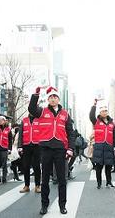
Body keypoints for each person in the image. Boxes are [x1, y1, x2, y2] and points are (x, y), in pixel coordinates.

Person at [28, 86, 75, 215]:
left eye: (55, 97)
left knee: (62, 179)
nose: (53, 99)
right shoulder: (42, 111)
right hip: (46, 149)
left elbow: (70, 133)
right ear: (48, 99)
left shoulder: (65, 114)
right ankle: (44, 205)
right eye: (51, 97)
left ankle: (62, 205)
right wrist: (36, 94)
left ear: (58, 99)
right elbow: (31, 108)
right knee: (44, 180)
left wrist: (70, 149)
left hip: (60, 149)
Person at [89, 99, 115, 189]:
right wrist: (94, 105)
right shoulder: (96, 121)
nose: (104, 112)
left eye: (106, 111)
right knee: (99, 167)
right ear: (100, 112)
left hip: (109, 147)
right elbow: (91, 116)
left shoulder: (112, 123)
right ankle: (99, 183)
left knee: (109, 166)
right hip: (99, 147)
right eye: (102, 111)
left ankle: (109, 182)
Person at [18, 112, 41, 193]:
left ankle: (37, 186)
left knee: (36, 166)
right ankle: (26, 186)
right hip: (26, 145)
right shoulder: (24, 120)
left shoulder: (39, 120)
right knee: (26, 166)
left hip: (37, 145)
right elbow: (20, 134)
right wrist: (19, 146)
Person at [0, 116, 12, 184]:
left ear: (4, 121)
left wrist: (9, 149)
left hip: (4, 148)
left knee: (4, 164)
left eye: (1, 120)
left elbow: (10, 139)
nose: (0, 121)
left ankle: (4, 178)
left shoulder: (8, 129)